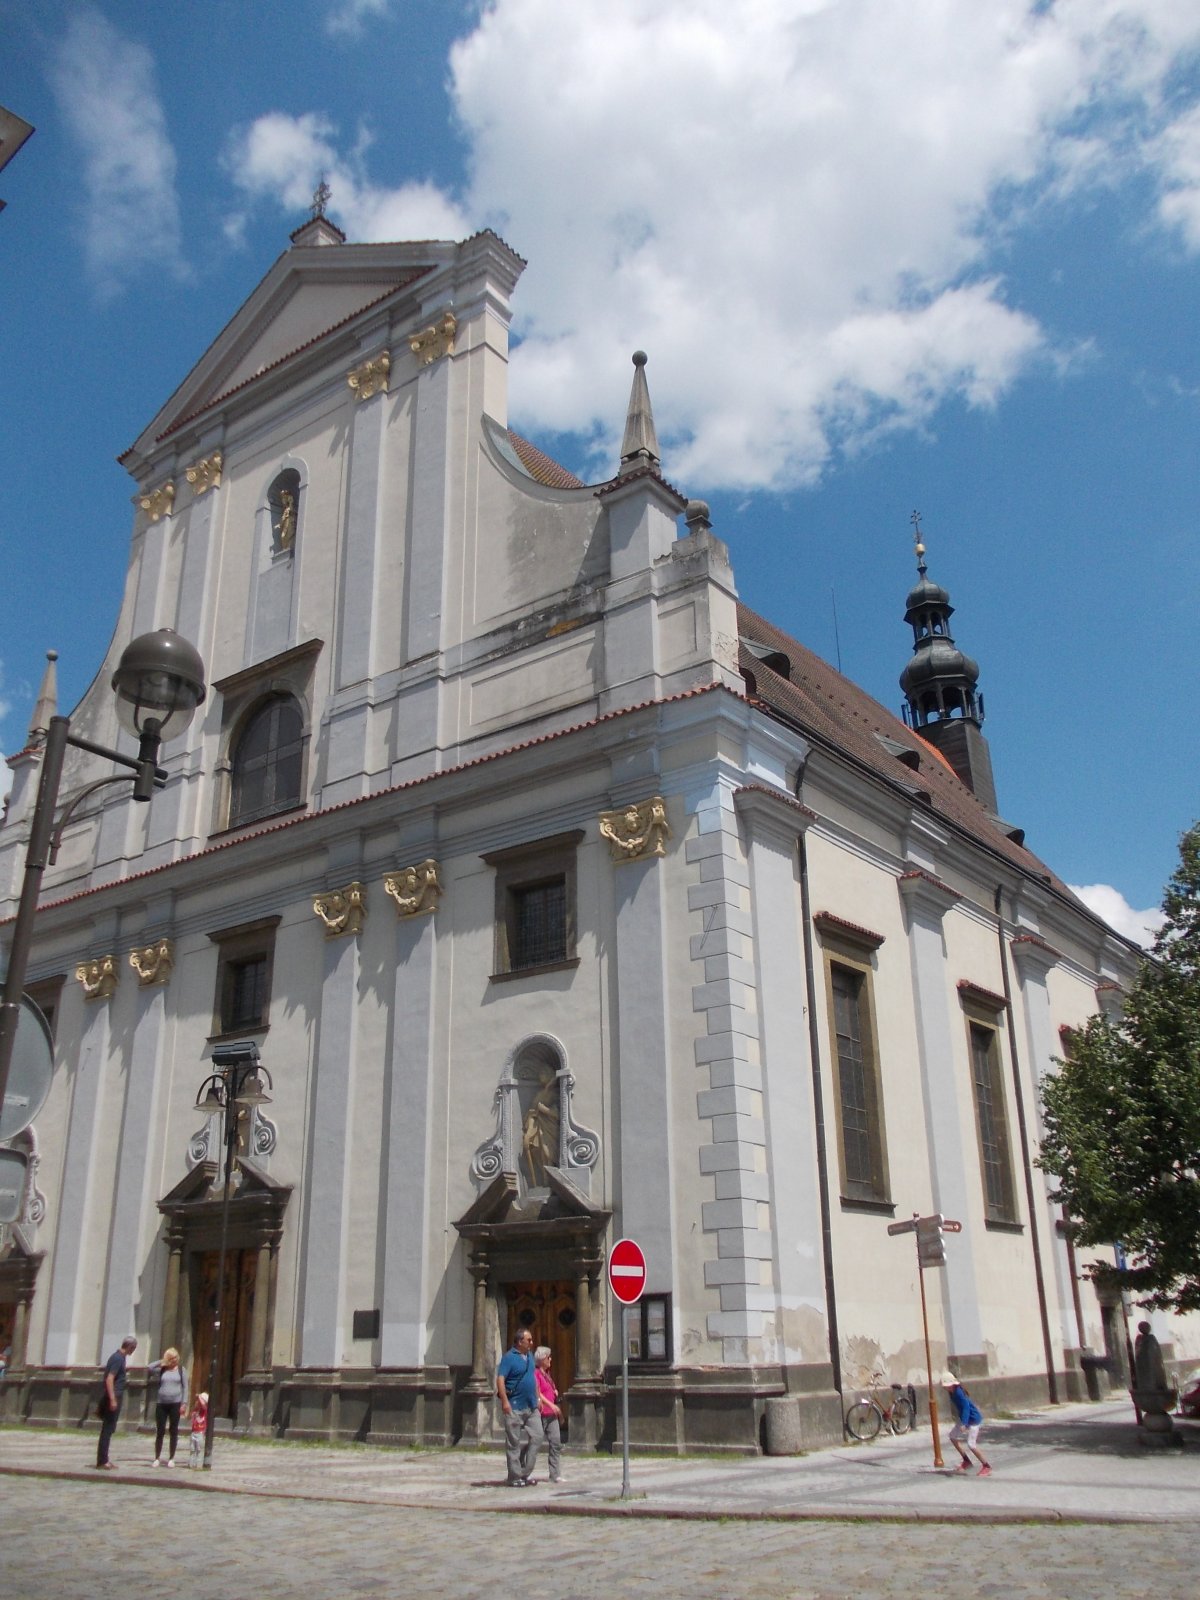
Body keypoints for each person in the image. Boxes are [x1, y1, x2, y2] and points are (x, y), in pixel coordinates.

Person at [496, 1327, 542, 1486]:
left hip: (531, 1406)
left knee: (538, 1436)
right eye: (529, 1340)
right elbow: (500, 1379)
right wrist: (505, 1401)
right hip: (514, 1406)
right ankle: (514, 1477)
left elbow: (533, 1378)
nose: (532, 1342)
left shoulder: (530, 1356)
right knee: (513, 1443)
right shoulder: (509, 1358)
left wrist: (538, 1397)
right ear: (519, 1341)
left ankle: (525, 1472)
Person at [95, 1336, 137, 1469]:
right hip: (113, 1396)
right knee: (107, 1429)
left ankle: (104, 1459)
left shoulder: (119, 1357)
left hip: (115, 1395)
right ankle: (102, 1461)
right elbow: (110, 1379)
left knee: (109, 1429)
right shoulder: (118, 1358)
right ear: (129, 1347)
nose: (133, 1351)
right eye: (133, 1348)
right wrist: (113, 1399)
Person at [941, 1370, 991, 1475]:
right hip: (965, 1419)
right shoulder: (952, 1392)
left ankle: (986, 1466)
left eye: (946, 1386)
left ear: (952, 1384)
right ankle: (966, 1461)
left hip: (973, 1419)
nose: (945, 1388)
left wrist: (964, 1423)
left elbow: (966, 1408)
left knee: (971, 1445)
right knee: (952, 1436)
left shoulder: (958, 1393)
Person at [148, 1347, 188, 1466]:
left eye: (176, 1357)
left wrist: (184, 1403)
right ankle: (157, 1457)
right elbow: (149, 1367)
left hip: (175, 1403)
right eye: (172, 1358)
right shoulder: (162, 1370)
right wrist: (162, 1361)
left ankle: (171, 1458)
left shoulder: (181, 1370)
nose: (175, 1360)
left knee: (173, 1430)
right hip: (162, 1403)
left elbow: (185, 1387)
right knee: (160, 1430)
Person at [534, 1345, 565, 1484]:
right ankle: (521, 1468)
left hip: (551, 1414)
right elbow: (538, 1393)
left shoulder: (547, 1374)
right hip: (541, 1413)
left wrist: (554, 1392)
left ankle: (555, 1474)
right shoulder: (536, 1374)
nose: (550, 1359)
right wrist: (550, 1404)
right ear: (542, 1359)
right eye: (548, 1357)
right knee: (534, 1442)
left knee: (556, 1442)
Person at [188, 1391, 209, 1468]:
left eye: (199, 1401)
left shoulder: (204, 1410)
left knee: (199, 1449)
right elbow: (190, 1418)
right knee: (192, 1449)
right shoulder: (195, 1411)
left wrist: (200, 1397)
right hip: (193, 1432)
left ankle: (198, 1464)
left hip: (200, 1432)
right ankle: (191, 1463)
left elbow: (203, 1406)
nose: (197, 1402)